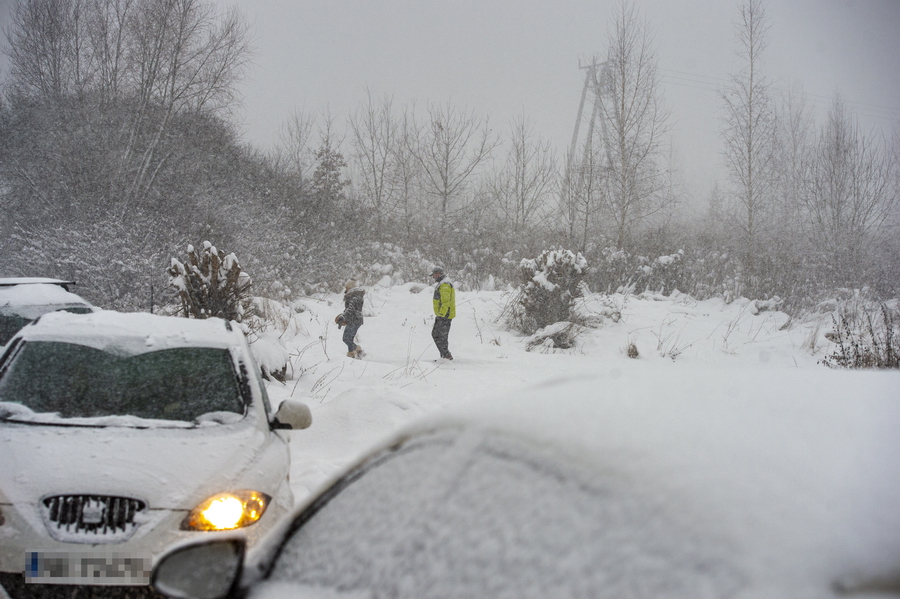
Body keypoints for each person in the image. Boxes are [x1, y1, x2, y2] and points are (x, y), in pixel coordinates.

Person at [430, 266, 455, 360]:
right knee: (439, 335)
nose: (433, 277)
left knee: (439, 335)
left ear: (439, 274)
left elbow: (446, 302)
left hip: (445, 315)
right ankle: (444, 355)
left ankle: (446, 355)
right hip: (443, 315)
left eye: (434, 275)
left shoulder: (444, 285)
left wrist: (441, 314)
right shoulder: (442, 283)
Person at [339, 280, 365, 358]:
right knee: (348, 338)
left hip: (354, 320)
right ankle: (355, 351)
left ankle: (353, 353)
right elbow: (350, 309)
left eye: (346, 288)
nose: (345, 290)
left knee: (346, 338)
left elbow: (350, 309)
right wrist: (344, 316)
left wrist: (343, 316)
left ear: (350, 288)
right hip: (355, 319)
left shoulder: (354, 297)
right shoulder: (356, 296)